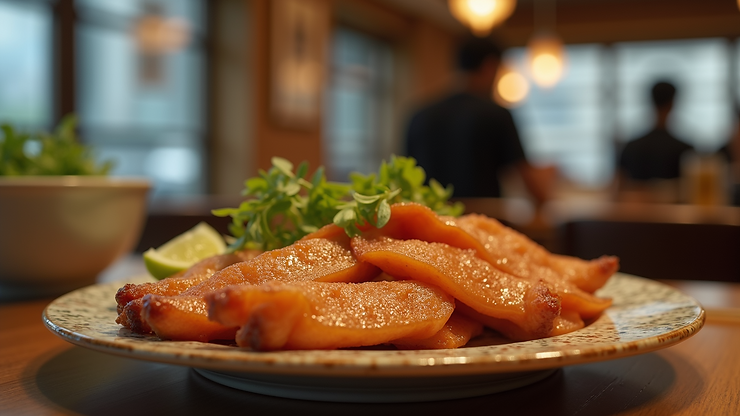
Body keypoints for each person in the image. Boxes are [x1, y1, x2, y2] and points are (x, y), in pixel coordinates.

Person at [404, 36, 553, 204]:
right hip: (481, 224)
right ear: (490, 66)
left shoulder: (419, 115)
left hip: (431, 222)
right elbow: (532, 187)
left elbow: (406, 179)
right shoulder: (497, 115)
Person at [616, 81, 695, 202]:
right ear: (672, 103)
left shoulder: (630, 147)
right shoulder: (685, 150)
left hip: (635, 218)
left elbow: (617, 191)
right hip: (673, 219)